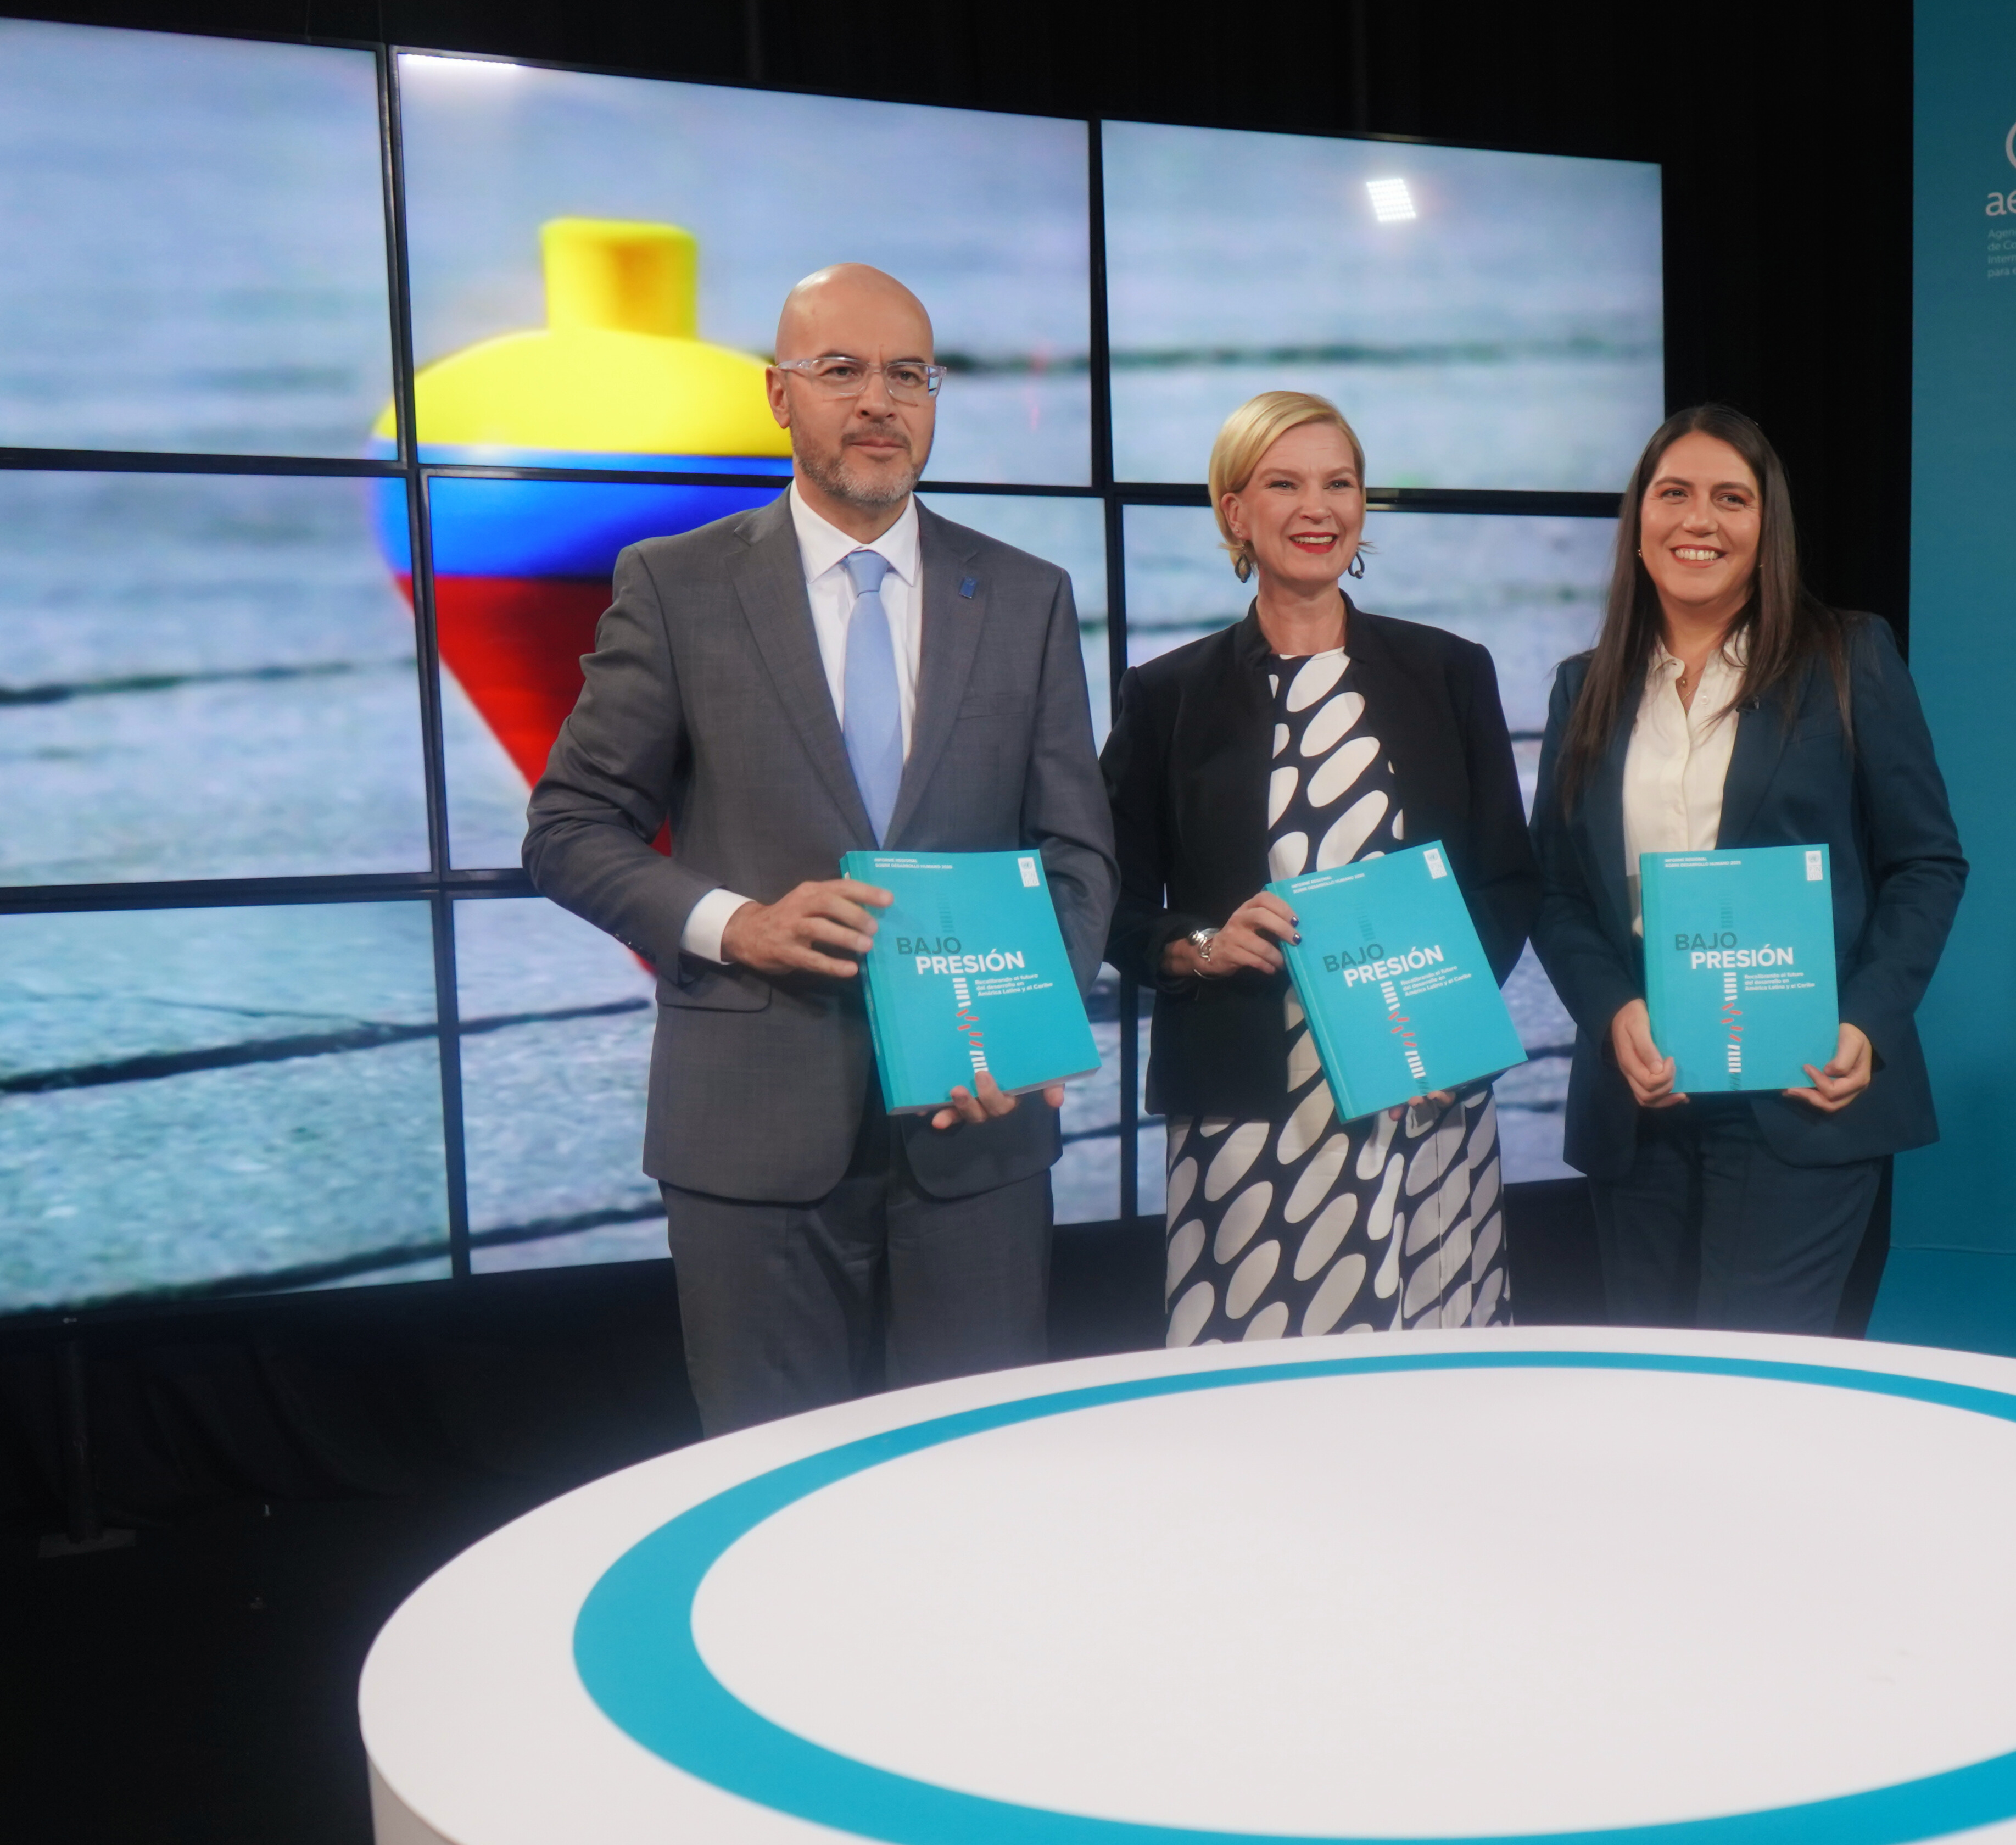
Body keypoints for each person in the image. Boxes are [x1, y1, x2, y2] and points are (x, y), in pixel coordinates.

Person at [526, 264, 1115, 1433]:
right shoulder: (676, 587)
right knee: (768, 1486)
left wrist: (1032, 1024)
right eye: (841, 371)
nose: (879, 401)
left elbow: (1077, 857)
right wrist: (736, 923)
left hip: (977, 1136)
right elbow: (568, 830)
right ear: (778, 396)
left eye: (910, 374)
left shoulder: (1027, 594)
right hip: (750, 1137)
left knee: (974, 1481)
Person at [1102, 391, 1537, 1345]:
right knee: (1255, 1399)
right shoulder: (1166, 696)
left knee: (1433, 1395)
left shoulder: (1449, 672)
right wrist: (1199, 946)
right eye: (1285, 484)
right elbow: (1111, 904)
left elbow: (1506, 881)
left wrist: (1448, 1028)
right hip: (1249, 1109)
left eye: (1339, 483)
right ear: (1233, 513)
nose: (1319, 508)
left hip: (1425, 1095)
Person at [1530, 405, 1965, 1334]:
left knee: (1761, 1389)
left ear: (1766, 529)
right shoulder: (1583, 685)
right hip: (1643, 1091)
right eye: (1674, 494)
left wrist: (1867, 1022)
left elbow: (1926, 862)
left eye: (1732, 499)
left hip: (1803, 1087)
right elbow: (1557, 892)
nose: (1700, 521)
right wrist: (1613, 1014)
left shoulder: (1848, 658)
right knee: (1647, 1384)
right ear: (1638, 523)